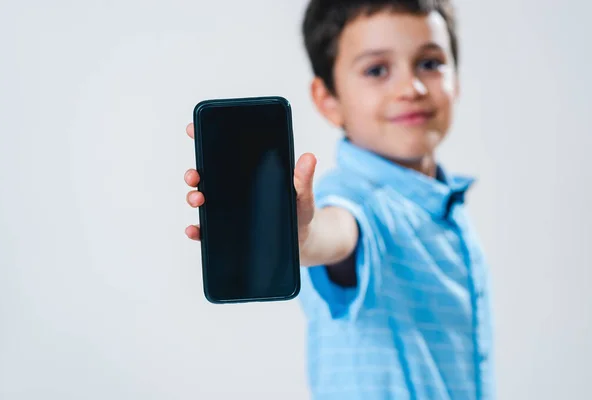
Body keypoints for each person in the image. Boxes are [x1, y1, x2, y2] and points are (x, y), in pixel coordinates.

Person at [184, 0, 494, 398]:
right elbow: (337, 232)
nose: (411, 88)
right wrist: (301, 235)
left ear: (457, 78)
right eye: (377, 70)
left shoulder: (446, 203)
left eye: (430, 63)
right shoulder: (352, 200)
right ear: (328, 100)